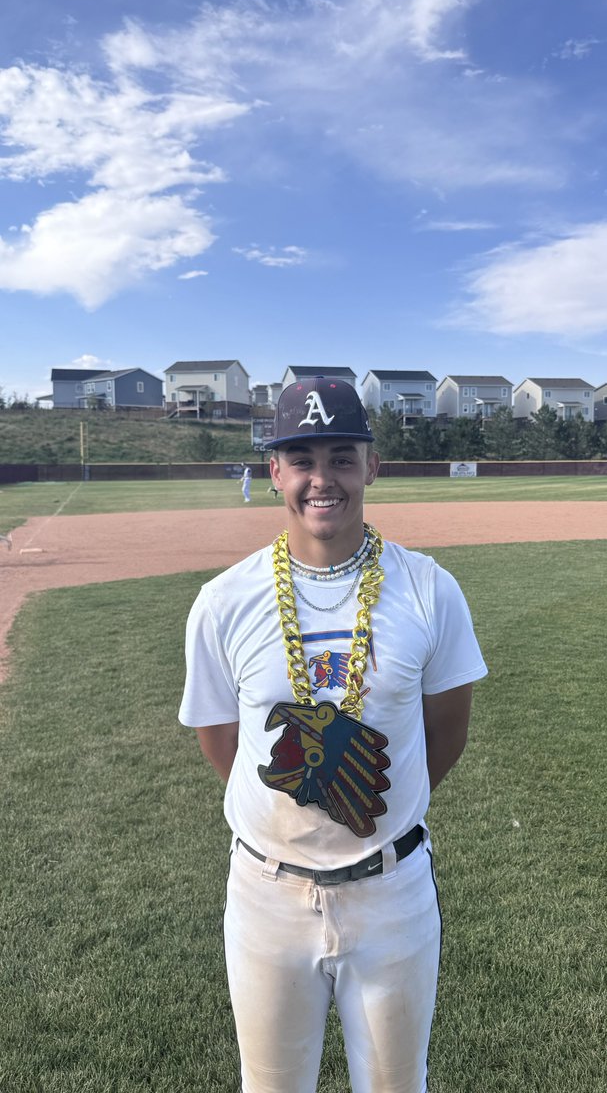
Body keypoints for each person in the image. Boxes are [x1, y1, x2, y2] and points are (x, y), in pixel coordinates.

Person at [179, 377, 487, 1093]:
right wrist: (301, 799)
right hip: (267, 891)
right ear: (275, 471)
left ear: (371, 466)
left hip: (391, 889)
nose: (323, 479)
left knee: (395, 1084)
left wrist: (372, 806)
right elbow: (221, 738)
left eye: (341, 458)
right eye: (303, 459)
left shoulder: (429, 589)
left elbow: (446, 731)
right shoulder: (223, 601)